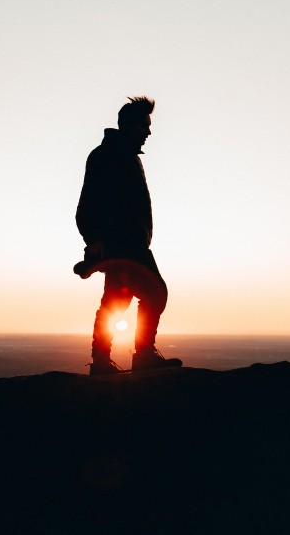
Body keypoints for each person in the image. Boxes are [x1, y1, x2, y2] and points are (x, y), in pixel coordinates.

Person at [74, 96, 182, 376]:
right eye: (145, 126)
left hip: (129, 242)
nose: (149, 132)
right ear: (129, 126)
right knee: (156, 294)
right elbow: (87, 204)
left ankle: (101, 362)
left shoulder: (127, 157)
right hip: (123, 243)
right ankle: (142, 355)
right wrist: (94, 238)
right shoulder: (105, 156)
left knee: (115, 301)